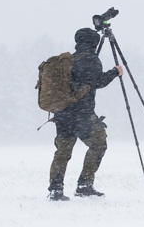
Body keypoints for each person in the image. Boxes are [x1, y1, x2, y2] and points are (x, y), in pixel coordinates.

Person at [47, 27, 123, 201]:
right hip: (81, 114)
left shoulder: (69, 60)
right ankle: (84, 185)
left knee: (62, 152)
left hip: (62, 114)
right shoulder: (90, 60)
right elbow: (97, 82)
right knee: (99, 143)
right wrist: (115, 72)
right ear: (94, 43)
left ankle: (55, 189)